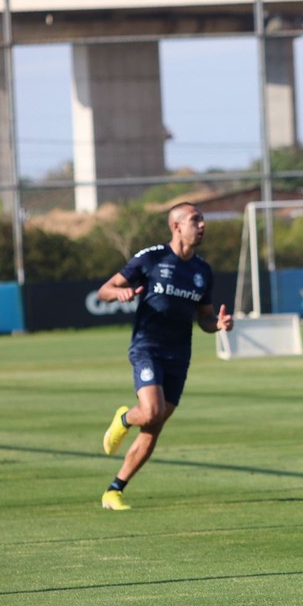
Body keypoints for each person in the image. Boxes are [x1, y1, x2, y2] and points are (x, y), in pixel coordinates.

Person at [99, 201, 233, 510]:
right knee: (149, 412)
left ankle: (114, 490)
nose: (202, 225)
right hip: (148, 346)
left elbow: (205, 319)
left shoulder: (202, 271)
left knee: (154, 425)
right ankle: (123, 418)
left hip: (179, 355)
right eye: (195, 220)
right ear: (176, 226)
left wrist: (219, 325)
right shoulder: (152, 258)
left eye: (202, 220)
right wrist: (117, 293)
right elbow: (104, 290)